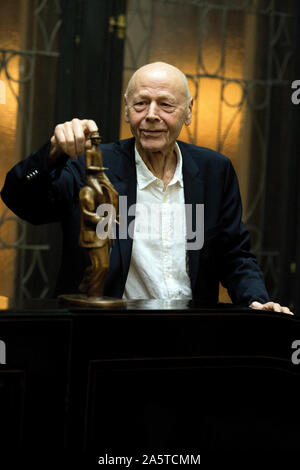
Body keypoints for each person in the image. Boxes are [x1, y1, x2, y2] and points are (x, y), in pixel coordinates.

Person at [0, 62, 292, 314]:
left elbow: (234, 254)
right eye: (140, 103)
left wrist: (256, 301)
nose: (151, 115)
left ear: (188, 111)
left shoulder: (214, 171)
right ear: (127, 110)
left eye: (165, 104)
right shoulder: (92, 168)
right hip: (108, 337)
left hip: (191, 336)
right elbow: (21, 201)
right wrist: (52, 153)